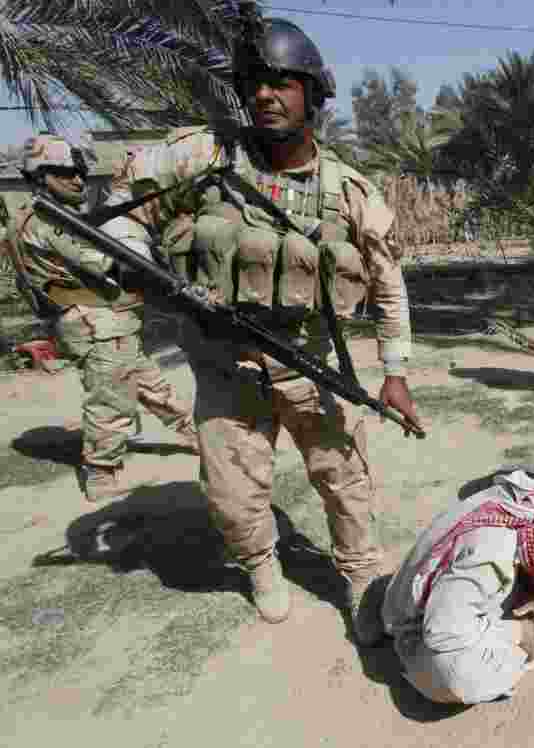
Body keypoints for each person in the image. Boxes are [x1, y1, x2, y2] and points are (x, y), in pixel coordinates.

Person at [100, 17, 422, 635]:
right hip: (226, 368)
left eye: (283, 83)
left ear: (314, 93)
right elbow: (122, 206)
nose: (265, 95)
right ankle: (260, 565)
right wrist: (136, 261)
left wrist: (395, 372)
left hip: (312, 366)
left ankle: (360, 576)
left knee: (346, 481)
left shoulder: (349, 191)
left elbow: (388, 284)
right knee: (231, 493)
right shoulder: (203, 157)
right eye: (255, 83)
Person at [5, 133, 199, 503]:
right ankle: (101, 473)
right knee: (112, 398)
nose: (78, 180)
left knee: (149, 383)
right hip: (95, 323)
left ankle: (194, 433)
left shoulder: (24, 217)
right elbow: (110, 263)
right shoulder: (50, 220)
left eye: (79, 172)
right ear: (41, 176)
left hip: (93, 320)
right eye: (65, 173)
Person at [379, 471, 534, 705]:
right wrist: (522, 632)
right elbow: (442, 634)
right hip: (419, 631)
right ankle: (529, 634)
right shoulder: (487, 558)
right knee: (461, 679)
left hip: (468, 590)